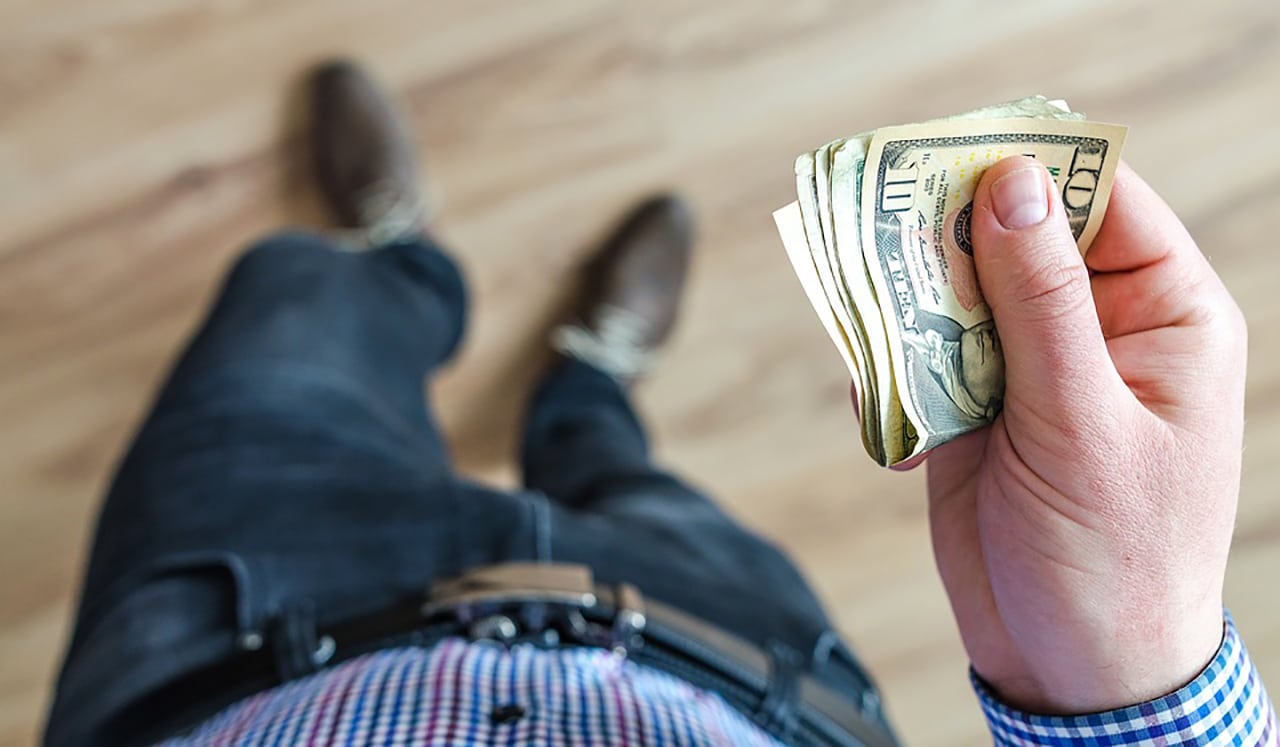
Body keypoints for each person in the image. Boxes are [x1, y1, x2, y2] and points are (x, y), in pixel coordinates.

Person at [43, 60, 1275, 747]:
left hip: (227, 645)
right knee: (618, 469)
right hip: (734, 656)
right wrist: (1127, 675)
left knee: (285, 298)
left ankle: (396, 264)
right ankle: (583, 380)